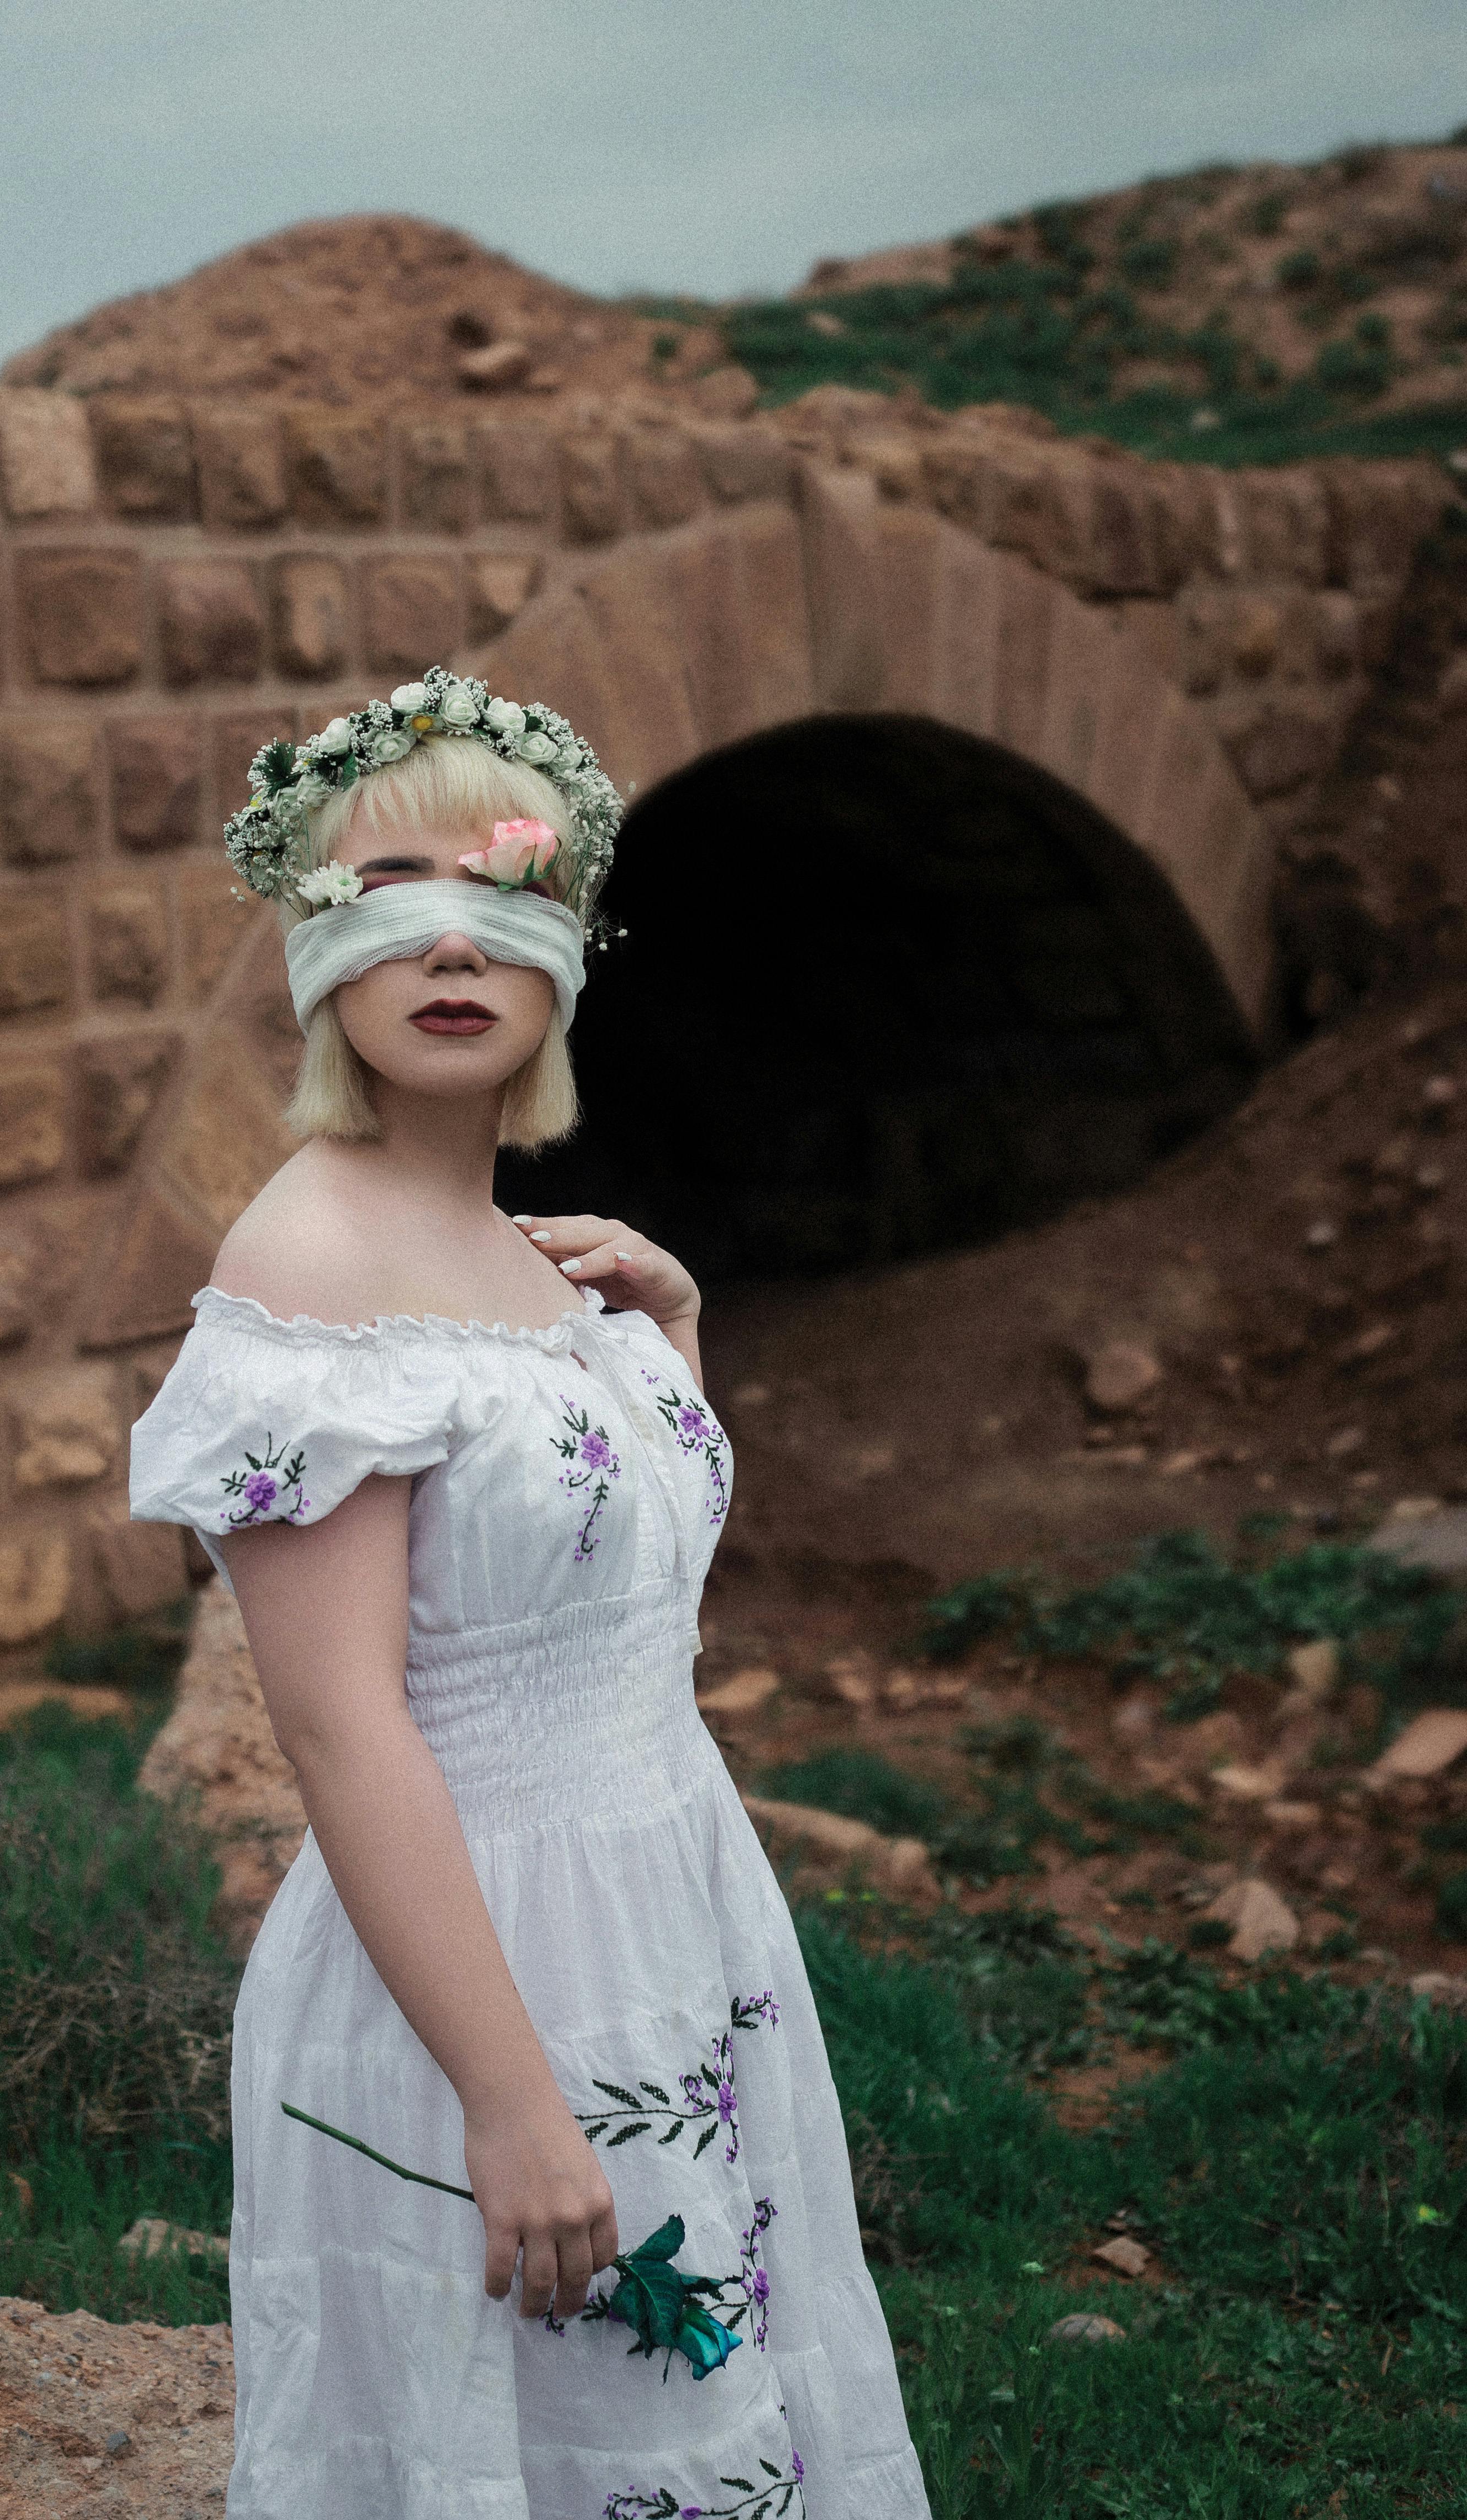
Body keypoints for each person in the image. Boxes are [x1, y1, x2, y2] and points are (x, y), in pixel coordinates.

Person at [128, 669, 930, 2520]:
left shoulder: (526, 1252)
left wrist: (675, 1343)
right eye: (389, 887)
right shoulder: (309, 1261)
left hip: (668, 1921)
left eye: (505, 890)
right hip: (483, 1978)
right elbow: (340, 1726)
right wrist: (509, 2099)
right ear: (320, 943)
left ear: (568, 946)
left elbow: (625, 1610)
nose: (452, 939)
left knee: (715, 2429)